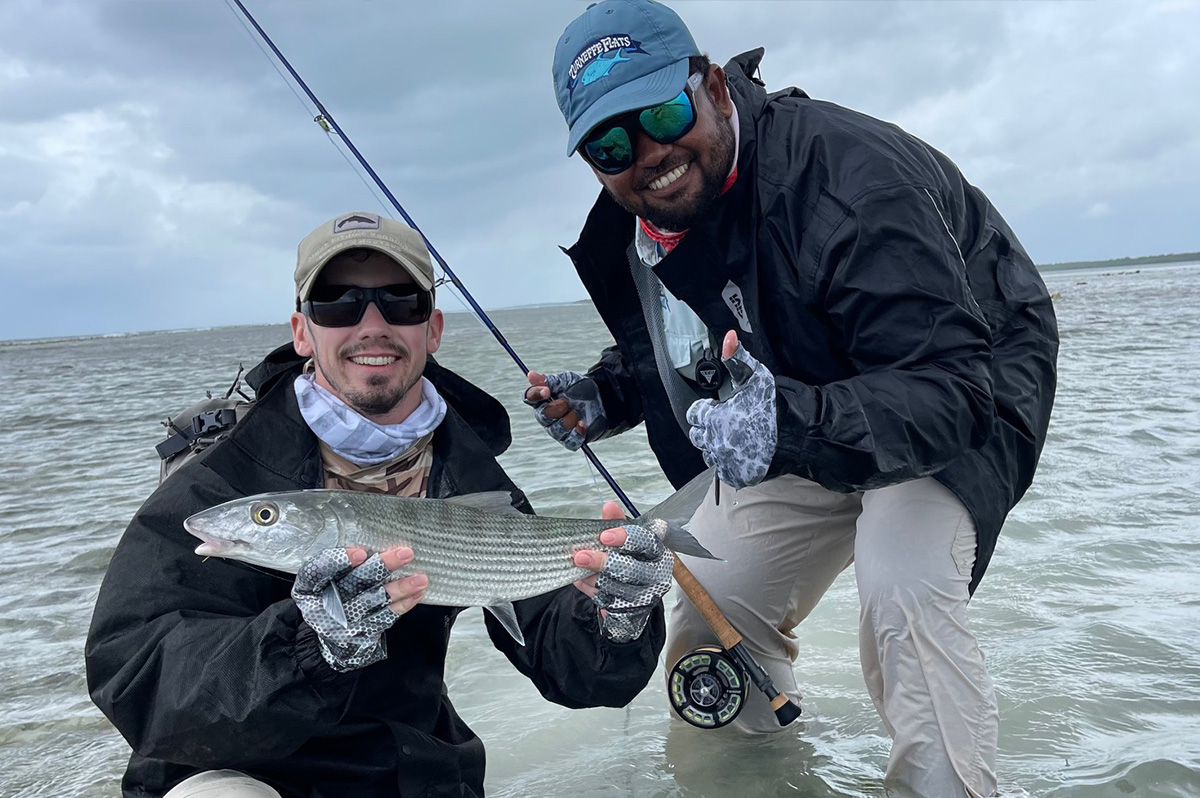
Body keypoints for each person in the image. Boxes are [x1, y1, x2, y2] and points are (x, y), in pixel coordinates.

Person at [528, 1, 1059, 795]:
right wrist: (607, 393)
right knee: (716, 597)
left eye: (663, 112)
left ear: (710, 84)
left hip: (959, 384)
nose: (647, 152)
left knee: (902, 580)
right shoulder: (653, 214)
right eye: (610, 144)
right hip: (806, 404)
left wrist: (788, 423)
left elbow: (950, 386)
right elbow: (704, 334)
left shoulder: (854, 180)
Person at [86, 211, 675, 798]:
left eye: (400, 300)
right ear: (301, 330)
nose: (371, 324)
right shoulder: (224, 480)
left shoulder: (465, 473)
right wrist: (305, 644)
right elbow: (136, 677)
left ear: (433, 328)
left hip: (407, 773)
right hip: (240, 774)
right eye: (337, 303)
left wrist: (614, 619)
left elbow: (575, 669)